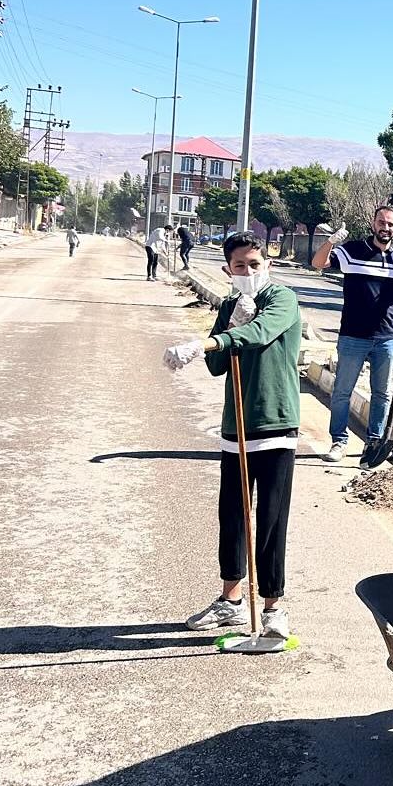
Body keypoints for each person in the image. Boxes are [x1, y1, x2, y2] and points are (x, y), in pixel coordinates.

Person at [162, 231, 303, 640]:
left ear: (267, 264)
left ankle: (273, 607)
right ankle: (231, 601)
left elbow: (261, 333)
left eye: (255, 264)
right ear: (228, 270)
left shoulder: (282, 299)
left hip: (276, 421)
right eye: (240, 265)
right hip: (236, 425)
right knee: (233, 516)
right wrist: (224, 329)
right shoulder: (229, 305)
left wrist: (213, 340)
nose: (248, 271)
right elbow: (217, 366)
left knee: (271, 520)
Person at [311, 207, 393, 468]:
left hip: (387, 337)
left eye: (391, 224)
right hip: (353, 335)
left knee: (382, 394)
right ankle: (339, 441)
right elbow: (318, 263)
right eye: (381, 222)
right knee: (342, 391)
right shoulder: (352, 251)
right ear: (373, 224)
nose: (386, 227)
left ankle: (373, 443)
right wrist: (331, 242)